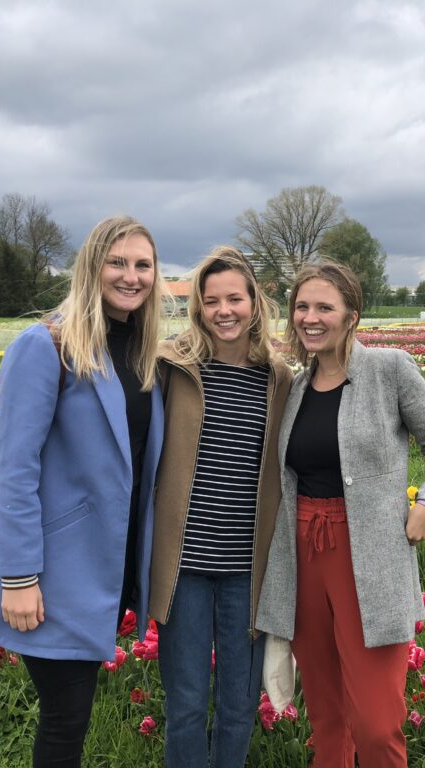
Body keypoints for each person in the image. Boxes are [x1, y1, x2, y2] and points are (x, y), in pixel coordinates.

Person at [256, 261, 425, 768]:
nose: (311, 317)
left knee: (374, 723)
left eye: (325, 307)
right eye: (302, 307)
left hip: (369, 557)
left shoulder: (390, 369)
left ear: (351, 315)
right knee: (326, 719)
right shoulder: (296, 388)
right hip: (303, 557)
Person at [0, 216, 166, 767]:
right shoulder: (47, 346)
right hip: (57, 570)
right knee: (65, 720)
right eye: (117, 262)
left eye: (142, 265)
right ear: (92, 266)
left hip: (110, 567)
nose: (130, 276)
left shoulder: (144, 350)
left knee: (72, 717)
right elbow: (14, 469)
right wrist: (17, 577)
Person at [150, 246, 293, 768]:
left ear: (255, 302)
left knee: (238, 706)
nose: (224, 310)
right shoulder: (172, 368)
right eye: (212, 301)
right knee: (186, 705)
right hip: (184, 566)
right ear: (198, 307)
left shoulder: (278, 379)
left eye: (235, 298)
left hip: (246, 572)